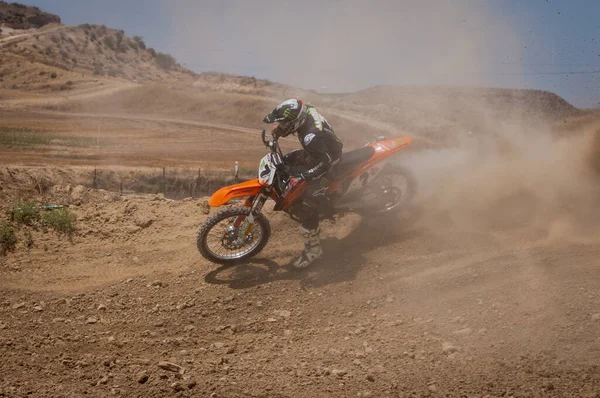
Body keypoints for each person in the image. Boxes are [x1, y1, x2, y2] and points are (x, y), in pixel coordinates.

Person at [263, 99, 343, 268]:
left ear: (296, 121)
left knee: (308, 203)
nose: (282, 125)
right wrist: (280, 129)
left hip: (329, 164)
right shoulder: (305, 110)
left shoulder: (310, 137)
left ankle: (314, 251)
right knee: (287, 160)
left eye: (285, 123)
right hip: (318, 152)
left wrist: (303, 177)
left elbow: (326, 164)